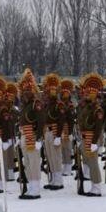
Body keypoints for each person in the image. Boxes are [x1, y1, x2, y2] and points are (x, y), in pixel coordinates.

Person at [17, 69, 44, 199]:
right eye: (24, 91)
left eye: (28, 90)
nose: (25, 93)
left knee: (33, 162)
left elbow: (41, 122)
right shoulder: (24, 106)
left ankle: (36, 189)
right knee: (26, 162)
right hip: (24, 135)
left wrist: (39, 139)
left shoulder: (35, 104)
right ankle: (31, 187)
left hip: (32, 136)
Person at [77, 73, 106, 197]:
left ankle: (97, 187)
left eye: (89, 93)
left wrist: (95, 142)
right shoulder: (86, 107)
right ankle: (93, 185)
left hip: (91, 138)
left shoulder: (97, 109)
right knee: (88, 161)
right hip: (84, 137)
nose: (86, 95)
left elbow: (98, 127)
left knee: (93, 162)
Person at [41, 73, 66, 190]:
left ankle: (58, 181)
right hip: (47, 132)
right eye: (48, 91)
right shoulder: (47, 105)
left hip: (55, 132)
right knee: (50, 157)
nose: (49, 93)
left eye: (52, 90)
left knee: (56, 157)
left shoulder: (58, 105)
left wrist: (58, 136)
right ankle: (53, 180)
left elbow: (61, 121)